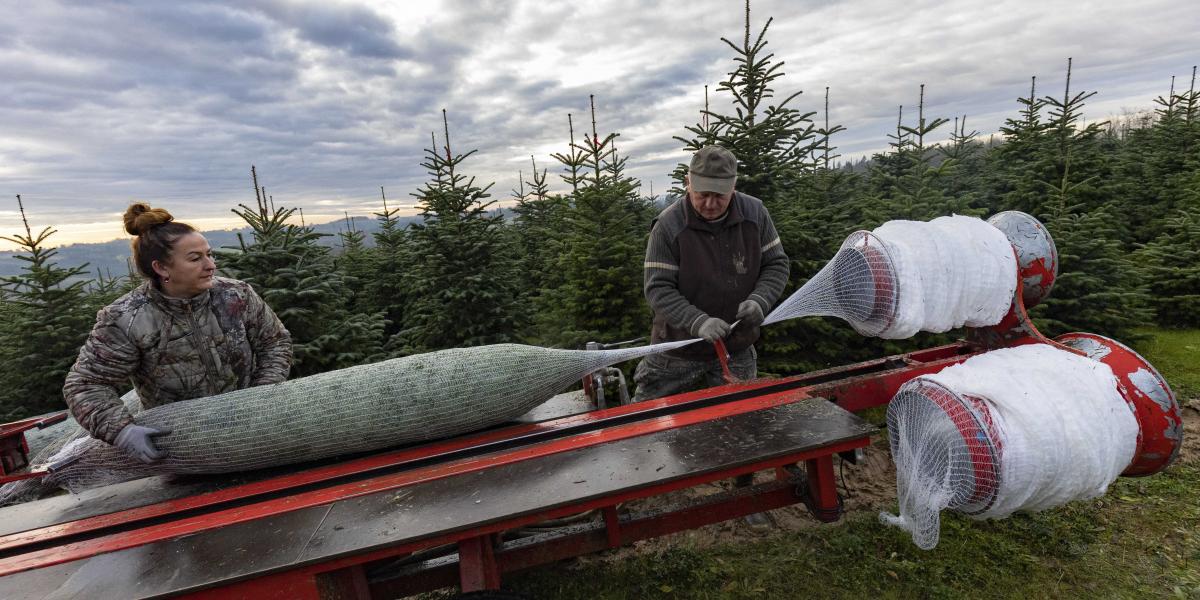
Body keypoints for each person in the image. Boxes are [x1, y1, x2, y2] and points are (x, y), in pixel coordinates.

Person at [62, 203, 292, 463]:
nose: (211, 265)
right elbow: (85, 384)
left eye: (209, 254)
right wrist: (122, 431)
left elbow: (275, 342)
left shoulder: (235, 294)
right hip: (185, 446)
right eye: (195, 258)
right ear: (161, 268)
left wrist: (262, 394)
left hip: (254, 428)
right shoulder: (125, 319)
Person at [633, 145, 790, 402]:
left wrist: (760, 300)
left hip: (736, 346)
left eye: (719, 196)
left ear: (734, 187)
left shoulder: (755, 215)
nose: (710, 204)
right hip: (677, 350)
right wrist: (698, 321)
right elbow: (658, 288)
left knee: (740, 420)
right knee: (646, 420)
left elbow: (777, 264)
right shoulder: (668, 226)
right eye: (702, 194)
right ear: (687, 183)